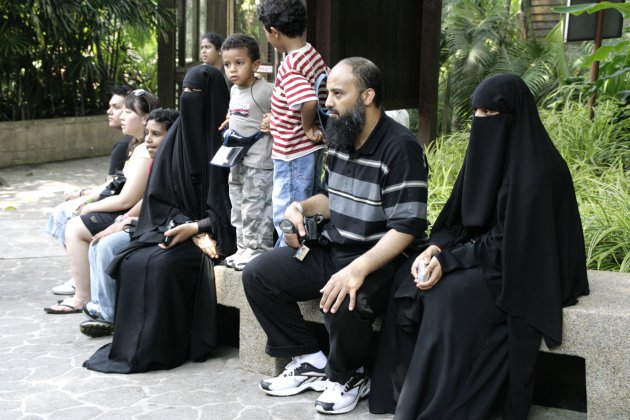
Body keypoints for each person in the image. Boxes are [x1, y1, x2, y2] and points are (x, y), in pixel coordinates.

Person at [368, 74, 590, 419]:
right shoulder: (482, 157)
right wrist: (435, 250)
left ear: (515, 115)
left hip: (525, 268)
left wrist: (452, 261)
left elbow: (515, 246)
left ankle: (440, 408)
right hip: (489, 255)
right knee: (407, 282)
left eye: (492, 114)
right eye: (477, 113)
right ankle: (400, 396)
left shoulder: (540, 172)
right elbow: (457, 221)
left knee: (447, 298)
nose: (483, 122)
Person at [242, 57, 428, 415]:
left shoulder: (401, 148)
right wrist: (300, 208)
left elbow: (407, 227)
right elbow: (330, 197)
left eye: (338, 94)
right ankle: (309, 358)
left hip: (381, 260)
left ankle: (349, 376)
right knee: (258, 274)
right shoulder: (342, 134)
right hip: (334, 247)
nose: (327, 103)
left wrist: (357, 269)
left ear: (368, 96)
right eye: (326, 94)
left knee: (346, 301)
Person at [83, 64, 235, 373]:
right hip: (175, 228)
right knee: (133, 260)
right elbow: (159, 199)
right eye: (186, 94)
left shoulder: (232, 139)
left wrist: (201, 227)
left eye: (198, 95)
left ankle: (168, 345)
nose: (191, 100)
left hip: (221, 236)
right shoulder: (175, 142)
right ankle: (131, 343)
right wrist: (186, 227)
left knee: (162, 265)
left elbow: (239, 207)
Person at [43, 89, 160, 314]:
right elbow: (113, 187)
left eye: (127, 111)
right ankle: (85, 289)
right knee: (72, 218)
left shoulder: (145, 150)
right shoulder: (134, 147)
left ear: (145, 118)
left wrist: (89, 206)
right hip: (127, 211)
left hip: (134, 215)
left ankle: (82, 295)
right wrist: (87, 198)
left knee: (76, 227)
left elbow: (127, 199)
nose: (121, 116)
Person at [80, 108, 179, 338]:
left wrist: (126, 223)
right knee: (98, 241)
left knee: (107, 245)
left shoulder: (176, 163)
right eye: (147, 133)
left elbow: (164, 207)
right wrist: (122, 219)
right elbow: (148, 200)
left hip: (163, 226)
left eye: (156, 134)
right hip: (145, 221)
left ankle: (110, 315)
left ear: (172, 135)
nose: (148, 140)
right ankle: (103, 305)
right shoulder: (156, 161)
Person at [46, 85, 133, 296]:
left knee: (67, 214)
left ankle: (84, 282)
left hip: (122, 210)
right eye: (110, 106)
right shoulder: (127, 144)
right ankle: (82, 275)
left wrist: (87, 203)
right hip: (117, 203)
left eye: (118, 107)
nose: (110, 111)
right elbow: (113, 184)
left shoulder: (128, 146)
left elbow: (120, 196)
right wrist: (85, 194)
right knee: (67, 209)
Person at [256, 0, 329, 246]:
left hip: (292, 153)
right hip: (308, 150)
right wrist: (277, 119)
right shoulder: (311, 54)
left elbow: (307, 100)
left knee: (288, 217)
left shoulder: (290, 65)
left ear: (274, 32)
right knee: (306, 206)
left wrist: (307, 127)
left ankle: (284, 261)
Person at [219, 33, 274, 270]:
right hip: (236, 160)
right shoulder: (233, 91)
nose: (232, 69)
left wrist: (274, 119)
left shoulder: (265, 90)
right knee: (238, 205)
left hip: (259, 162)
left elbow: (291, 109)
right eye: (227, 64)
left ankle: (259, 251)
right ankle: (243, 248)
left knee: (255, 208)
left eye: (239, 63)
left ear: (255, 65)